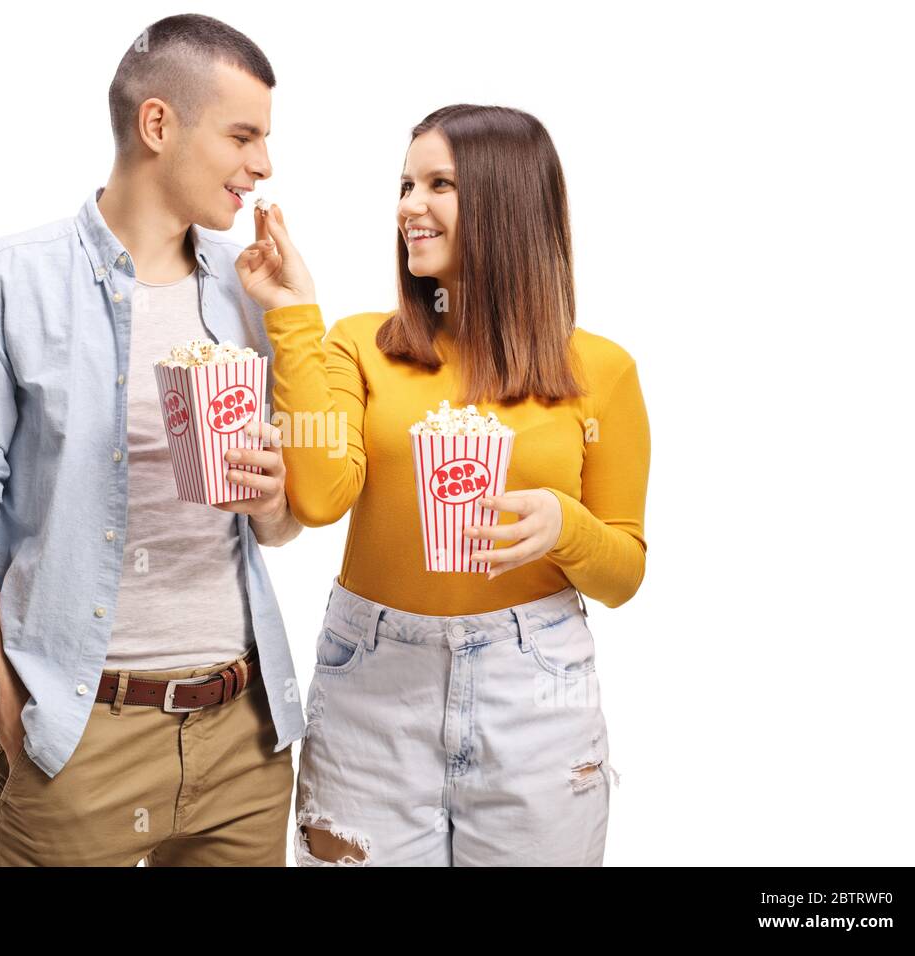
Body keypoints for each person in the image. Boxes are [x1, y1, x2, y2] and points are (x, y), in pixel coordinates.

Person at [0, 14, 304, 866]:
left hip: (245, 735)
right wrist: (8, 716)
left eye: (266, 138)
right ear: (158, 125)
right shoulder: (2, 286)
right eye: (243, 135)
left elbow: (278, 524)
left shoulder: (250, 290)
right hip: (76, 739)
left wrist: (275, 499)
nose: (263, 164)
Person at [236, 104, 651, 865]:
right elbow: (322, 498)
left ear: (507, 203)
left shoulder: (603, 370)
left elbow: (624, 572)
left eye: (438, 185)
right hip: (372, 683)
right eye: (404, 184)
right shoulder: (360, 343)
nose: (407, 206)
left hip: (537, 691)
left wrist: (566, 526)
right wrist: (294, 313)